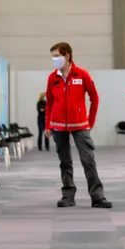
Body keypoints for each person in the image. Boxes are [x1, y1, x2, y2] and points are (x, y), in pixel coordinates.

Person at [45, 42, 112, 209]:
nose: (54, 60)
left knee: (88, 160)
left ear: (67, 56)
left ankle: (97, 197)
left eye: (56, 56)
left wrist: (90, 121)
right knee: (65, 162)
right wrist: (47, 125)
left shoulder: (82, 75)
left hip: (81, 125)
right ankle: (68, 196)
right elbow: (49, 103)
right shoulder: (52, 78)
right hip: (58, 126)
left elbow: (94, 98)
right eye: (52, 57)